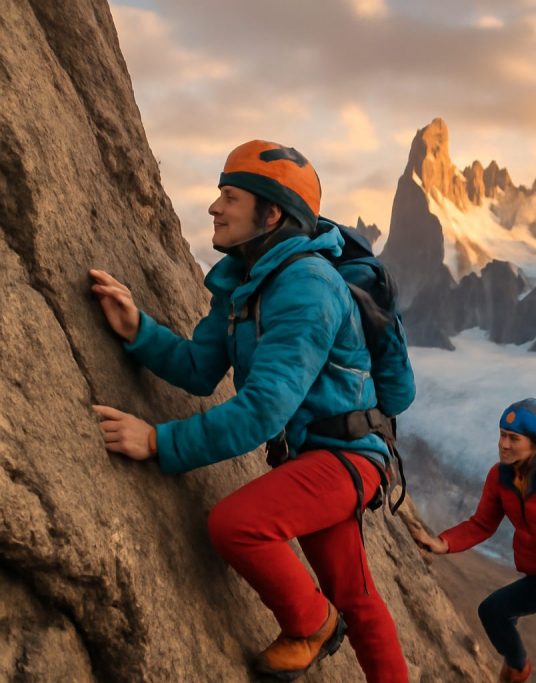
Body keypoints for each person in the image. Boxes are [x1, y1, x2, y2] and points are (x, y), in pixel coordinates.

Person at [89, 140, 413, 682]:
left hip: (346, 459)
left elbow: (263, 410)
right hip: (315, 458)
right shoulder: (244, 282)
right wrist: (136, 330)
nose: (215, 207)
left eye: (230, 197)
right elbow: (199, 368)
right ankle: (324, 623)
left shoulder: (307, 287)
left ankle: (312, 625)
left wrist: (158, 442)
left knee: (237, 525)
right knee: (356, 597)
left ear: (272, 213)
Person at [409, 398, 536, 683]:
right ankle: (518, 666)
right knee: (492, 611)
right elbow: (482, 523)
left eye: (513, 438)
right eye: (502, 435)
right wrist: (443, 543)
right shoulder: (500, 478)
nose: (503, 444)